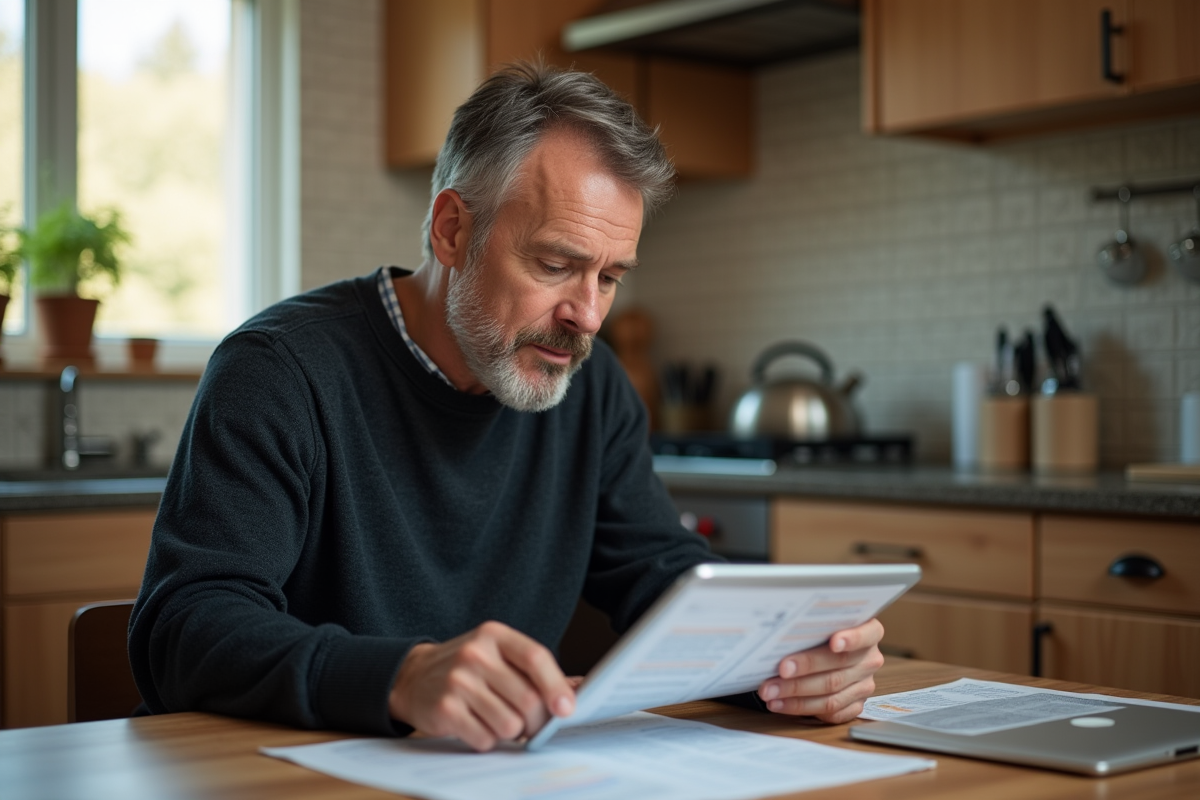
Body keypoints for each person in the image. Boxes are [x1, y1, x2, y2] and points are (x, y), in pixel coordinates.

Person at [129, 62, 884, 752]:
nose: (588, 316)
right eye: (555, 264)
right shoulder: (280, 371)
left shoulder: (593, 387)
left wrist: (786, 658)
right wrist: (401, 677)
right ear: (452, 230)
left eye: (610, 277)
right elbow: (185, 628)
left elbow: (659, 572)